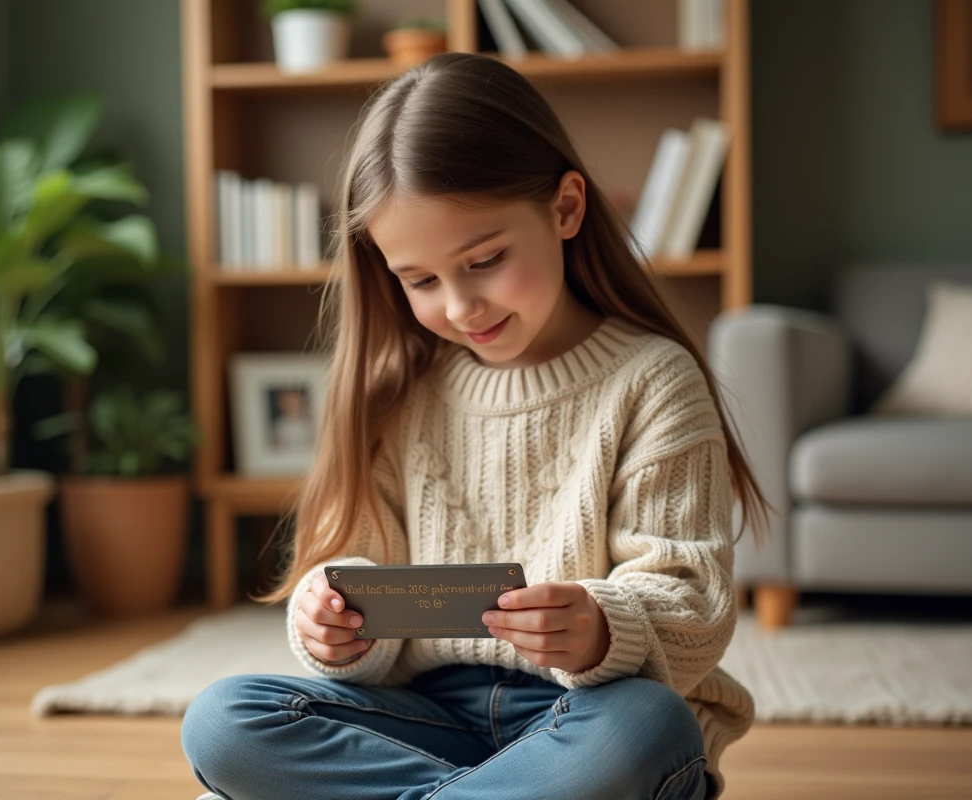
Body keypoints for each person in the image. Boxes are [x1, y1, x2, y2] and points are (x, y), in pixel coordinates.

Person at [182, 52, 770, 800]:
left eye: (485, 260)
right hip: (430, 714)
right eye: (421, 281)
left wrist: (600, 625)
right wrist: (332, 623)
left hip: (586, 713)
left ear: (565, 209)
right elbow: (354, 571)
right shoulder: (400, 394)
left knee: (650, 728)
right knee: (223, 720)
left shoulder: (652, 380)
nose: (460, 307)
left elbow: (694, 605)